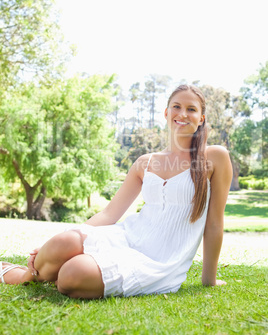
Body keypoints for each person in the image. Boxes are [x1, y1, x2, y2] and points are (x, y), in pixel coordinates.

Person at [0, 84, 233, 299]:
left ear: (201, 119)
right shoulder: (145, 162)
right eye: (177, 107)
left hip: (157, 262)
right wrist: (51, 249)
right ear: (166, 113)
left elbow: (214, 224)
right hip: (125, 237)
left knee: (71, 275)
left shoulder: (214, 157)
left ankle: (53, 270)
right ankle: (28, 275)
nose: (182, 114)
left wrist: (209, 280)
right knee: (63, 241)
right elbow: (109, 214)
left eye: (191, 109)